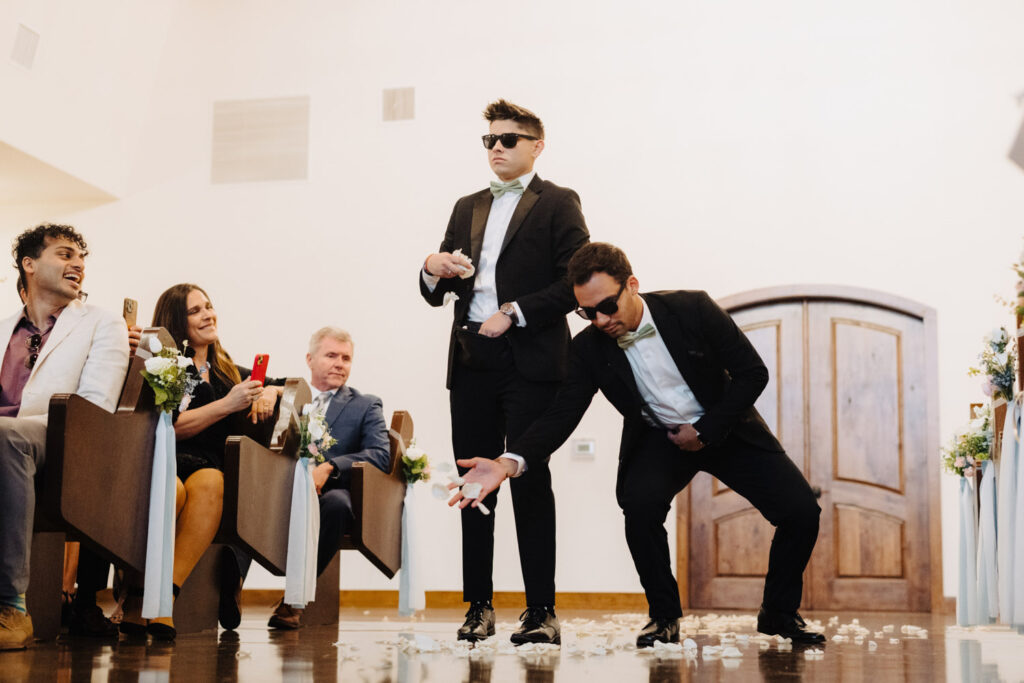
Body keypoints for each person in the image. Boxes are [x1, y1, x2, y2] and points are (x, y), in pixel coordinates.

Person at [451, 242, 825, 647]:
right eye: (587, 312)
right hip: (659, 437)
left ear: (632, 285)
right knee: (640, 506)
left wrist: (705, 430)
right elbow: (561, 414)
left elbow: (753, 373)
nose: (599, 320)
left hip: (725, 426)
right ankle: (663, 617)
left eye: (607, 306)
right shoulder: (587, 349)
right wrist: (509, 463)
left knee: (802, 512)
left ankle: (779, 612)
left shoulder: (692, 308)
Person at [419, 99, 589, 644]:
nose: (496, 147)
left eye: (509, 139)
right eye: (490, 139)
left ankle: (541, 610)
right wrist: (430, 268)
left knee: (528, 478)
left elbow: (575, 283)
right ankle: (479, 606)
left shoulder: (559, 202)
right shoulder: (466, 204)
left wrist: (513, 312)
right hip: (470, 359)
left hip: (531, 359)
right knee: (473, 481)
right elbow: (440, 289)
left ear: (537, 146)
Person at [119, 283, 281, 640]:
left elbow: (287, 384)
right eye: (195, 311)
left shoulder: (227, 370)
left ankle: (165, 598)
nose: (208, 314)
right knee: (172, 491)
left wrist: (269, 390)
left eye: (208, 306)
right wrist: (228, 404)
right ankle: (135, 594)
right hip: (163, 457)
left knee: (214, 482)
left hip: (207, 464)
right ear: (177, 320)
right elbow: (170, 427)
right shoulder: (164, 362)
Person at [0, 224, 129, 650]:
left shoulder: (102, 324)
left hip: (61, 437)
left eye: (81, 259)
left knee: (6, 436)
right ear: (30, 265)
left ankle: (11, 607)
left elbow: (93, 406)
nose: (77, 264)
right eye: (65, 254)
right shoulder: (3, 327)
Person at [267, 327, 390, 629]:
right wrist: (271, 389)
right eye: (331, 355)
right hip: (278, 489)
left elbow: (380, 453)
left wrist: (331, 467)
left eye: (346, 358)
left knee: (338, 504)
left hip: (329, 494)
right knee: (242, 492)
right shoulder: (287, 394)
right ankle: (231, 588)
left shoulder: (366, 405)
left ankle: (294, 600)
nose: (339, 363)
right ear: (310, 359)